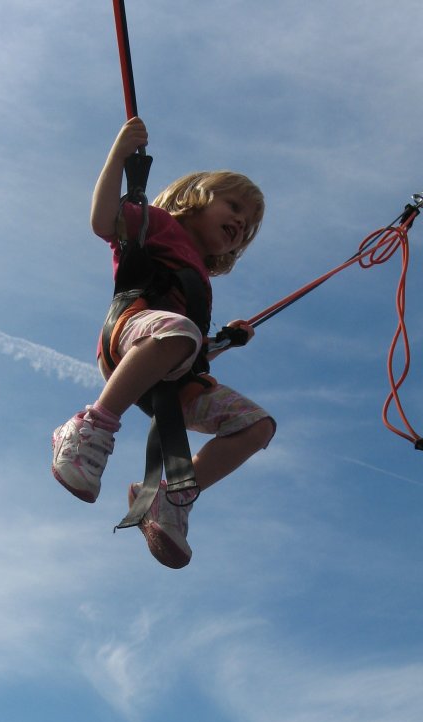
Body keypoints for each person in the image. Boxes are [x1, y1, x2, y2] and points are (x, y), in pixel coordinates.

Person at [52, 117, 275, 569]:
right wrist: (120, 154)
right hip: (129, 329)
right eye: (233, 206)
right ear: (194, 198)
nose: (240, 222)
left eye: (247, 224)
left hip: (172, 362)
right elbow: (102, 220)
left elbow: (188, 350)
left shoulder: (201, 279)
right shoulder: (153, 223)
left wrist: (226, 341)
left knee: (257, 425)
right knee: (179, 332)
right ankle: (91, 426)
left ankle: (169, 497)